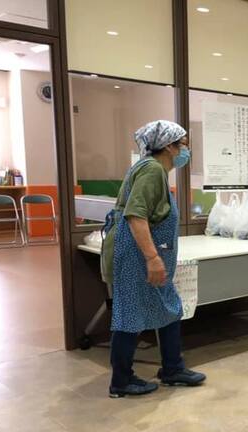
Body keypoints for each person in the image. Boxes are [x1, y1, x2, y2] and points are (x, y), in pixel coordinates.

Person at [101, 120, 206, 398]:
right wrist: (152, 258)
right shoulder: (151, 170)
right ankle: (121, 381)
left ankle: (173, 368)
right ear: (169, 147)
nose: (186, 150)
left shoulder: (155, 170)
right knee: (130, 316)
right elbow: (136, 215)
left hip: (144, 255)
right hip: (136, 256)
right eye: (183, 145)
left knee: (169, 307)